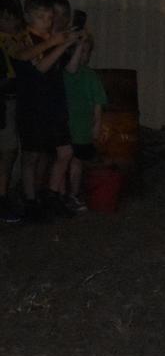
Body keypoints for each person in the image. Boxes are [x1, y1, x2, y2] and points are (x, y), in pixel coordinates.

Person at [9, 0, 80, 219]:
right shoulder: (23, 39)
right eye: (41, 17)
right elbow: (39, 68)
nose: (47, 21)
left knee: (65, 151)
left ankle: (51, 195)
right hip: (33, 107)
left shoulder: (52, 38)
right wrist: (57, 43)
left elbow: (70, 69)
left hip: (54, 105)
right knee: (31, 156)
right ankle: (31, 202)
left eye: (49, 17)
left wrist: (74, 43)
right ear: (29, 17)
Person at [61, 14, 105, 212]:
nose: (83, 55)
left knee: (77, 162)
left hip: (82, 127)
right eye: (80, 51)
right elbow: (71, 68)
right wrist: (79, 41)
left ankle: (73, 195)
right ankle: (60, 195)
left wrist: (96, 125)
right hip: (65, 125)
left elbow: (98, 102)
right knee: (62, 161)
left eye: (86, 51)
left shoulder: (91, 76)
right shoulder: (66, 72)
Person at [0, 0, 23, 222]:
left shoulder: (15, 39)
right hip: (4, 100)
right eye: (6, 18)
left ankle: (3, 196)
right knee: (7, 150)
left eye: (14, 17)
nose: (12, 22)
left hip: (10, 101)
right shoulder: (7, 41)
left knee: (9, 151)